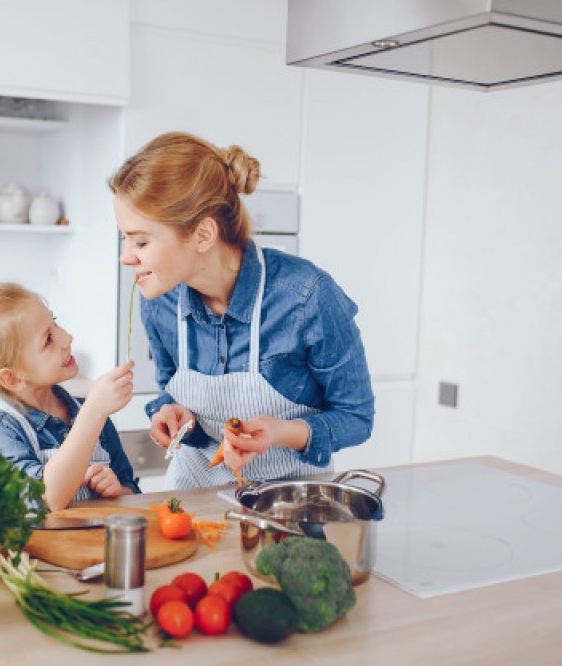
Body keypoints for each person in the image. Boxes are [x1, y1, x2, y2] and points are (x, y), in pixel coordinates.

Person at [109, 131, 375, 489]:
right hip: (193, 496)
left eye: (141, 241)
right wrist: (169, 414)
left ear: (203, 235)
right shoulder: (159, 301)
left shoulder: (306, 297)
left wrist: (280, 432)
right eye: (125, 238)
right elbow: (170, 390)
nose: (126, 256)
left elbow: (356, 418)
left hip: (288, 503)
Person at [0, 282, 140, 510]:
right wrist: (93, 412)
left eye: (55, 323)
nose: (67, 338)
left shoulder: (91, 413)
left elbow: (133, 492)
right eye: (48, 339)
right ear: (13, 379)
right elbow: (44, 499)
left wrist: (118, 492)